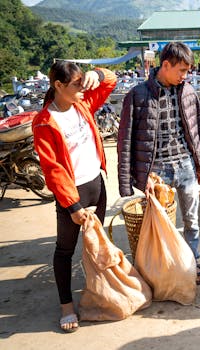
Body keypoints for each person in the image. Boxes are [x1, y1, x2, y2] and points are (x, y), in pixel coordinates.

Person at [117, 42, 200, 284]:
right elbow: (125, 141)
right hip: (157, 173)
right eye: (181, 70)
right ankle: (163, 269)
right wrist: (138, 178)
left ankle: (191, 262)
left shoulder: (188, 92)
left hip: (186, 166)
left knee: (192, 221)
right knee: (160, 227)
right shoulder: (137, 95)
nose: (185, 75)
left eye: (187, 71)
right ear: (166, 65)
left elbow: (198, 131)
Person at [32, 61, 117, 332]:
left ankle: (98, 292)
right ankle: (66, 306)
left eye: (83, 83)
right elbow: (53, 169)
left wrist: (97, 74)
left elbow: (111, 82)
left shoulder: (82, 103)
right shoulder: (45, 121)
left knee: (96, 246)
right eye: (76, 84)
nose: (82, 88)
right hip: (73, 193)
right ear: (58, 86)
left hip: (97, 185)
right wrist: (72, 205)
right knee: (65, 250)